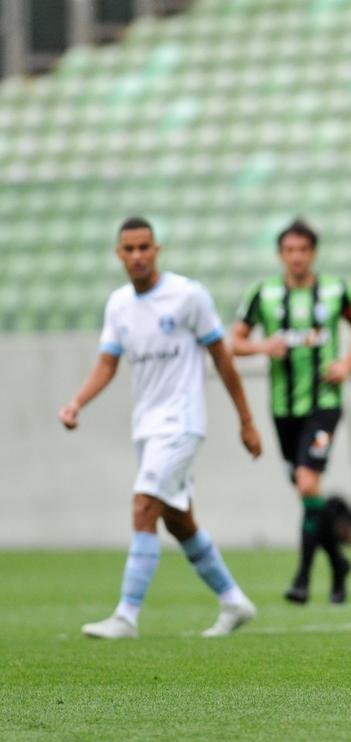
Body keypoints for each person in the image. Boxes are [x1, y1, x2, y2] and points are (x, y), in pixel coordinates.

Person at [58, 217, 263, 639]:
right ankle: (233, 600)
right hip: (147, 427)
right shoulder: (118, 305)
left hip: (182, 424)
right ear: (119, 254)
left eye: (144, 247)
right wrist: (77, 402)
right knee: (177, 520)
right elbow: (107, 363)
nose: (137, 256)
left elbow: (223, 359)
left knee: (143, 505)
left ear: (157, 249)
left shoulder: (188, 296)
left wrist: (246, 420)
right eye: (128, 249)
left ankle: (126, 616)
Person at [230, 219, 351, 605]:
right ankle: (339, 564)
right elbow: (235, 343)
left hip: (324, 404)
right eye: (289, 250)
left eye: (303, 250)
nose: (296, 257)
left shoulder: (335, 290)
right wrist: (264, 347)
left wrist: (346, 364)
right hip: (283, 409)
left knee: (308, 483)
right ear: (281, 254)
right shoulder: (263, 294)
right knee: (308, 493)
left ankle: (302, 579)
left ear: (313, 253)